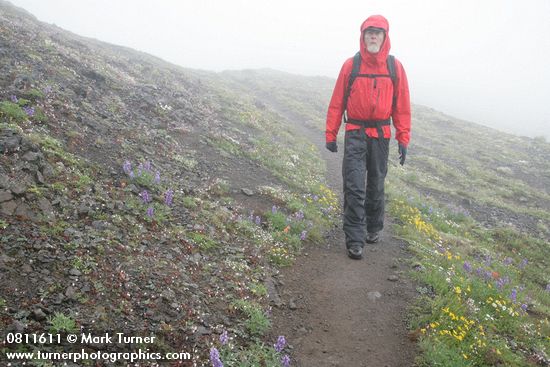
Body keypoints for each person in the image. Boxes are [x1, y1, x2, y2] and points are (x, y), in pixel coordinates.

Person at [325, 14, 411, 260]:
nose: (373, 36)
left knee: (376, 184)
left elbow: (402, 106)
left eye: (378, 32)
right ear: (362, 37)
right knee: (353, 186)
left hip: (381, 136)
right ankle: (354, 238)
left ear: (385, 37)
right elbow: (336, 103)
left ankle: (373, 228)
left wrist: (403, 138)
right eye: (368, 32)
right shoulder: (350, 66)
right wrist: (331, 134)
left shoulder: (395, 68)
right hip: (355, 134)